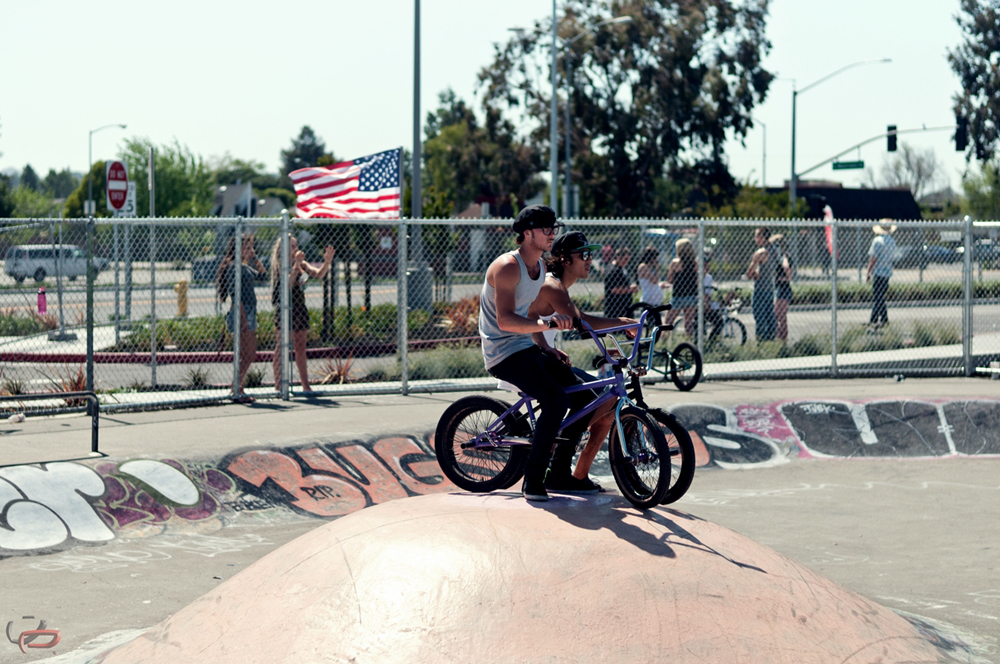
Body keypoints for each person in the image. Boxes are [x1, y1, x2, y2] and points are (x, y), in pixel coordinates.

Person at [479, 204, 596, 502]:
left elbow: (527, 314)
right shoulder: (507, 266)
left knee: (585, 397)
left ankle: (559, 471)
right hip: (502, 353)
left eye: (553, 228)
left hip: (527, 347)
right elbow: (505, 320)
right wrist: (546, 323)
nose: (552, 234)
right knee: (555, 399)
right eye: (546, 229)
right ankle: (532, 480)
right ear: (527, 233)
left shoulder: (540, 268)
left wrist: (546, 345)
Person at [527, 231, 639, 492]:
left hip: (542, 354)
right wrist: (623, 323)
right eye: (584, 255)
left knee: (608, 400)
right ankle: (557, 469)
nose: (590, 260)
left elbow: (535, 322)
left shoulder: (560, 285)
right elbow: (584, 321)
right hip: (528, 361)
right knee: (588, 400)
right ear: (565, 260)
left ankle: (579, 475)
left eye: (591, 254)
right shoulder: (551, 285)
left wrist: (547, 346)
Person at [271, 236, 335, 392]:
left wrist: (327, 262)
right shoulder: (281, 265)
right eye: (292, 246)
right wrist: (296, 266)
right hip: (285, 309)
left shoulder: (302, 264)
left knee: (300, 347)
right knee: (281, 347)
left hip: (299, 308)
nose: (295, 248)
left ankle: (305, 385)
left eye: (296, 245)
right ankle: (278, 385)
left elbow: (318, 274)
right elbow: (287, 285)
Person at [218, 235, 266, 403]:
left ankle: (238, 387)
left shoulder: (244, 267)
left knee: (247, 353)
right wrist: (244, 319)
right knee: (248, 353)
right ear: (237, 249)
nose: (249, 250)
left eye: (250, 247)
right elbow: (235, 295)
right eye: (246, 248)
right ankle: (236, 388)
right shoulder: (234, 267)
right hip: (242, 311)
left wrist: (255, 257)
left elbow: (263, 276)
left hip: (249, 311)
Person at [745, 226, 776, 342]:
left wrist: (753, 273)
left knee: (760, 320)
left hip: (760, 290)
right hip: (770, 289)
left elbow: (749, 273)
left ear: (762, 237)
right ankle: (771, 342)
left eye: (756, 236)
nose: (755, 239)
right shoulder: (773, 250)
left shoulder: (760, 253)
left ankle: (761, 343)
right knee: (770, 318)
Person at [662, 238, 699, 336]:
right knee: (688, 322)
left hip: (678, 295)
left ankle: (663, 341)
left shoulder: (675, 263)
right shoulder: (695, 263)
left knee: (668, 321)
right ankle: (689, 342)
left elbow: (670, 279)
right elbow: (697, 280)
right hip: (691, 295)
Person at [866, 221, 897, 328]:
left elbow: (873, 258)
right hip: (887, 272)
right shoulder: (892, 241)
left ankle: (875, 319)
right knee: (880, 296)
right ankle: (881, 319)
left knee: (877, 296)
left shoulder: (877, 241)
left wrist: (868, 271)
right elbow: (893, 257)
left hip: (879, 272)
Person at [770, 234, 794, 343]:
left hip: (783, 288)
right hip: (779, 287)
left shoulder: (784, 256)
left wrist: (787, 277)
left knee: (778, 315)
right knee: (779, 316)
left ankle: (782, 339)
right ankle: (780, 338)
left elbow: (787, 268)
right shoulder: (777, 256)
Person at [603, 246, 637, 318]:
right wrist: (630, 289)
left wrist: (630, 287)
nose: (626, 262)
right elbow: (614, 289)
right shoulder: (614, 270)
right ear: (618, 257)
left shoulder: (620, 268)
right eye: (625, 259)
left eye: (628, 259)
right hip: (616, 309)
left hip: (624, 307)